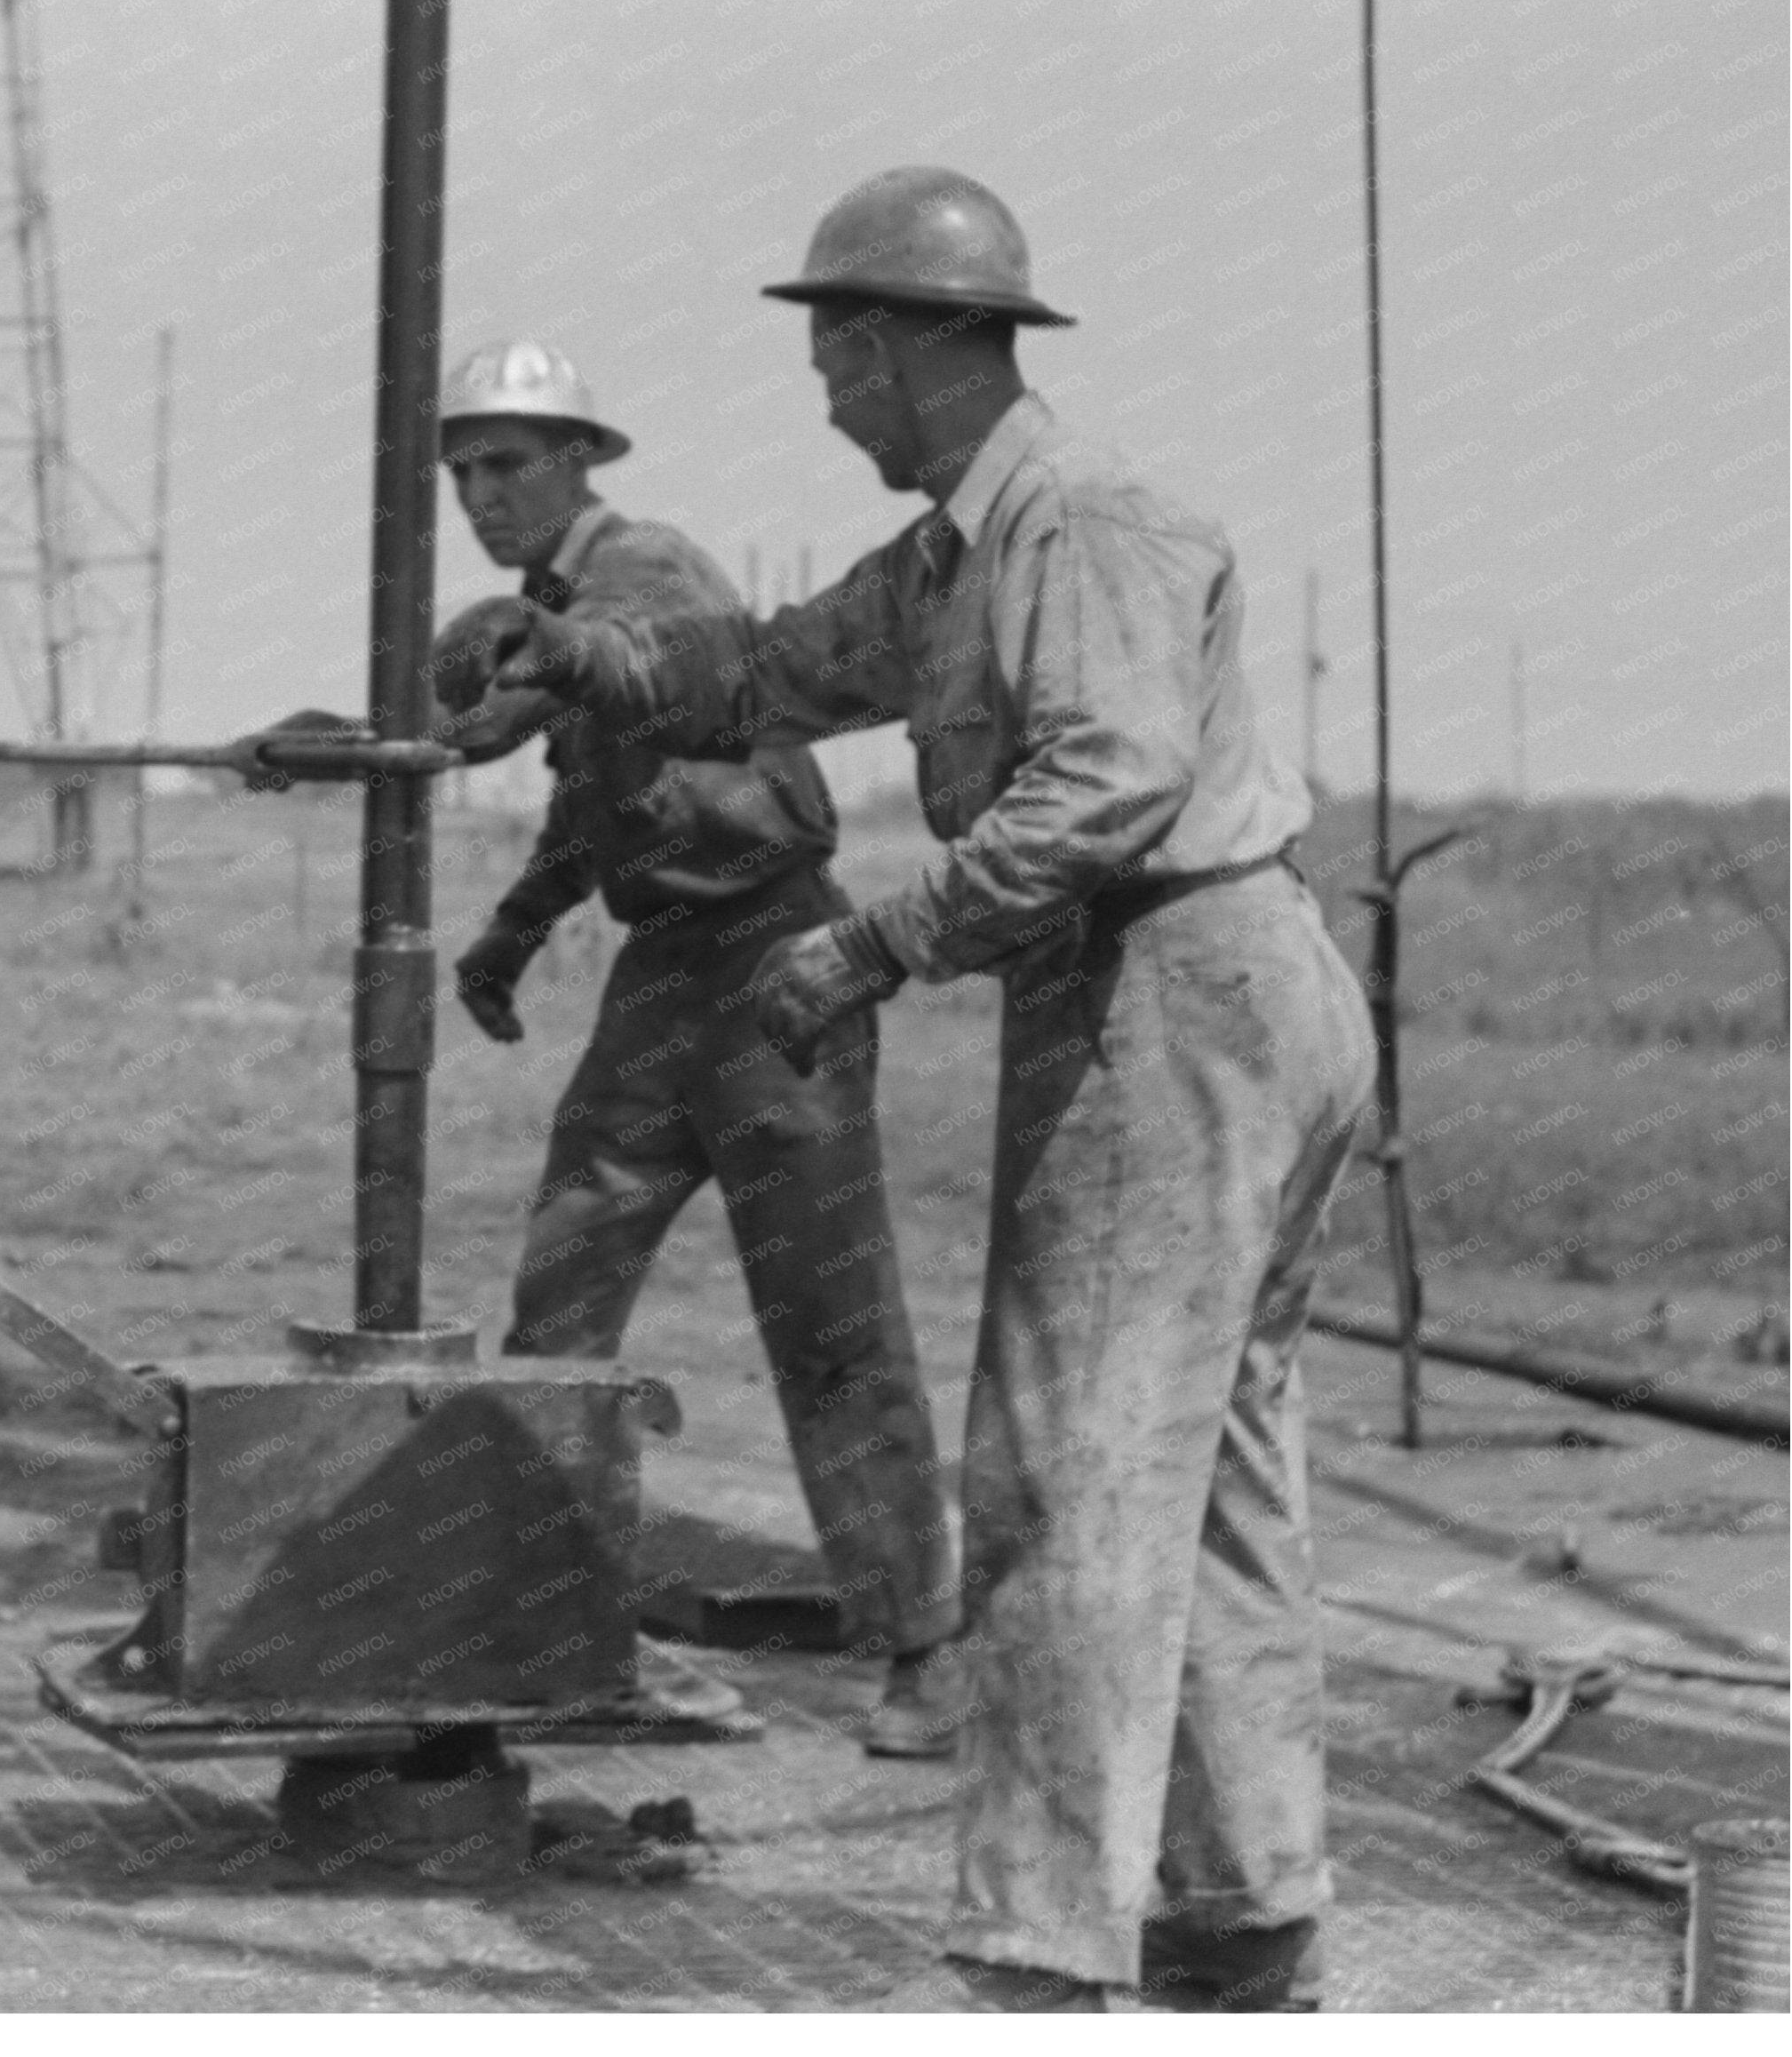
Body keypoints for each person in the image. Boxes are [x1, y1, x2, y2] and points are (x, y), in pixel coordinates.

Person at [455, 171, 1375, 2013]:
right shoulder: (953, 553)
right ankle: (1240, 1898)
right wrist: (578, 654)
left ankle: (1037, 1952)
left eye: (826, 362)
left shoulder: (1083, 521)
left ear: (890, 347)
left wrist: (878, 941)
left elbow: (1108, 783)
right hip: (1201, 987)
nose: (818, 400)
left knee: (1059, 1474)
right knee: (1207, 1470)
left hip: (1169, 986)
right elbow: (764, 673)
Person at [424, 339, 961, 1761]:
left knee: (829, 1316)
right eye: (461, 471)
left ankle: (918, 1648)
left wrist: (517, 685)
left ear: (581, 460)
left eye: (509, 464)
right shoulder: (556, 609)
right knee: (560, 1290)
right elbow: (581, 793)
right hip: (661, 980)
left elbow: (597, 678)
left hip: (778, 962)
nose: (480, 495)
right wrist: (511, 930)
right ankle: (547, 1613)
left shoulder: (642, 569)